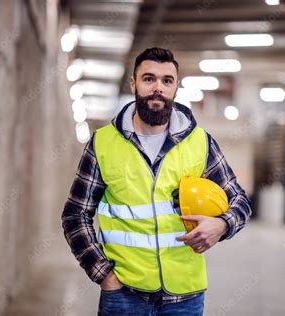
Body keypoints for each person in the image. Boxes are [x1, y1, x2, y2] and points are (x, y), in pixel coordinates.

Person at [61, 47, 252, 315]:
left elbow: (240, 201)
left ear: (175, 88)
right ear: (134, 84)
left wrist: (222, 225)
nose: (158, 88)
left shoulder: (200, 142)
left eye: (167, 80)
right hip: (124, 295)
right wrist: (104, 275)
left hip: (185, 296)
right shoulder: (103, 143)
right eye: (149, 79)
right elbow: (75, 215)